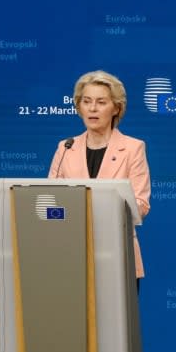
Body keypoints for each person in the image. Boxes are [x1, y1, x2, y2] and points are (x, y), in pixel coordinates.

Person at [49, 70, 151, 288]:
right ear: (79, 106)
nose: (92, 108)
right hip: (70, 254)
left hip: (117, 253)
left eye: (101, 102)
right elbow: (49, 200)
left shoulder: (133, 148)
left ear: (116, 107)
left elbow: (141, 205)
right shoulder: (66, 147)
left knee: (116, 322)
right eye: (86, 102)